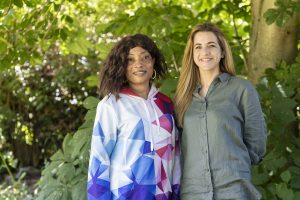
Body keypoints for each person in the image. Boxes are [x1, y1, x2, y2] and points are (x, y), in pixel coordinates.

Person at [174, 23, 267, 200]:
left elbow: (256, 144)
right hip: (193, 193)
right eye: (198, 47)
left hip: (234, 191)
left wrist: (234, 167)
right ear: (192, 54)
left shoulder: (241, 89)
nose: (205, 52)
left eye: (211, 45)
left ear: (222, 51)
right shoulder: (182, 97)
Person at [87, 34, 181, 200]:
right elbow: (99, 160)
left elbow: (175, 155)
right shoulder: (111, 105)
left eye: (145, 57)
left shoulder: (166, 104)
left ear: (153, 62)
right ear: (122, 66)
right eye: (130, 60)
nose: (139, 64)